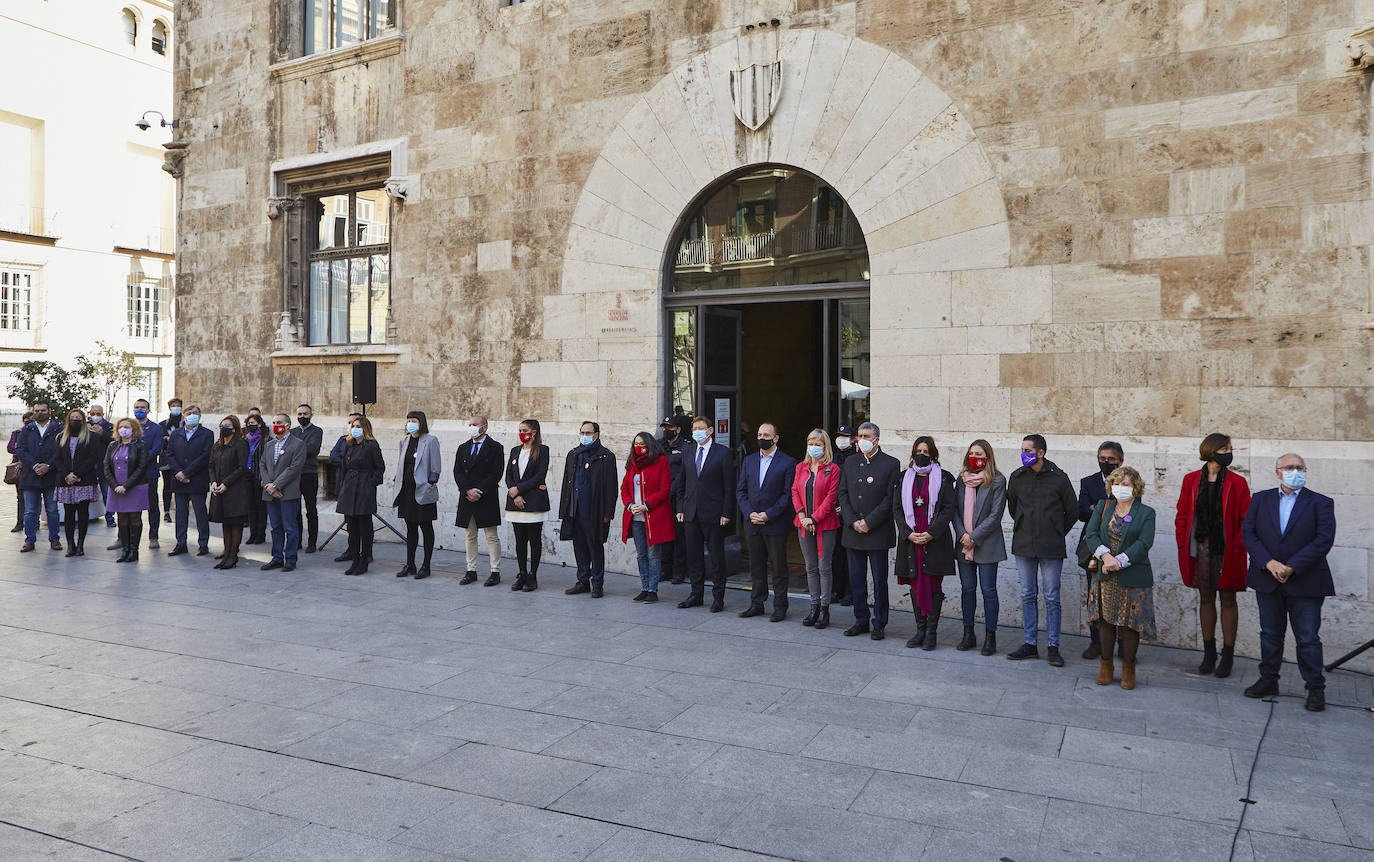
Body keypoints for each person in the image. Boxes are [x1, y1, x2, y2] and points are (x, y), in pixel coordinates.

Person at [1243, 454, 1336, 712]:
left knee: (1307, 638)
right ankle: (1268, 680)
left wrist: (1292, 566)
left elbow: (1323, 540)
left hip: (1306, 580)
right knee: (1270, 634)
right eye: (1289, 467)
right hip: (1267, 578)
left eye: (1300, 467)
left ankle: (1315, 688)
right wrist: (1269, 563)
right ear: (1277, 472)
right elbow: (1248, 533)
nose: (1295, 471)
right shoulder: (1260, 500)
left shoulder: (1321, 503)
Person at [1175, 433, 1251, 679]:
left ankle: (1227, 655)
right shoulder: (1191, 480)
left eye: (1230, 448)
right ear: (1211, 450)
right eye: (1225, 448)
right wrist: (1182, 541)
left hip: (1228, 551)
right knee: (1205, 598)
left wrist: (1239, 546)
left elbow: (1245, 520)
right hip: (1200, 549)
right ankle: (1209, 653)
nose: (1229, 452)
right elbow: (1183, 514)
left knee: (1228, 599)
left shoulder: (1238, 483)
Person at [1004, 434, 1077, 666]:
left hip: (1051, 546)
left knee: (1052, 596)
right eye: (1022, 449)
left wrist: (1055, 531)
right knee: (1027, 594)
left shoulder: (1059, 478)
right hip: (1024, 545)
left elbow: (1072, 512)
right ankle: (1030, 644)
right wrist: (1026, 527)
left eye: (1028, 450)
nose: (1023, 453)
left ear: (1041, 453)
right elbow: (1013, 508)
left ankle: (1053, 646)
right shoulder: (1017, 477)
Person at [1083, 466, 1157, 690]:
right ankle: (1106, 666)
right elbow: (1091, 534)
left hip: (1133, 575)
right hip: (1105, 575)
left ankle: (1128, 667)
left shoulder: (1146, 513)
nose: (1119, 487)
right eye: (1116, 483)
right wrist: (1106, 557)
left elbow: (1144, 543)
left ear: (1135, 487)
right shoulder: (1104, 507)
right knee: (1105, 622)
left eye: (1125, 484)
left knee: (1130, 625)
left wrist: (1119, 561)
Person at [838, 422, 902, 640]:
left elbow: (889, 499)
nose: (860, 439)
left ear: (876, 439)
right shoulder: (850, 462)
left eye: (866, 436)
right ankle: (860, 620)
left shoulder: (891, 464)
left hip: (877, 532)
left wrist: (869, 522)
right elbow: (843, 494)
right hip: (853, 531)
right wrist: (853, 521)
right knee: (856, 580)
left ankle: (879, 622)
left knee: (879, 580)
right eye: (859, 436)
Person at [896, 436, 957, 650]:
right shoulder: (903, 477)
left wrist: (931, 533)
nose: (921, 454)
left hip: (935, 541)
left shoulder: (946, 478)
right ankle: (919, 630)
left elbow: (948, 508)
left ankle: (932, 632)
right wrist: (908, 533)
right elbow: (897, 509)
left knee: (933, 584)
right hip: (911, 541)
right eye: (918, 450)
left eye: (926, 451)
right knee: (915, 583)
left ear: (933, 453)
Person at [951, 440, 1007, 656]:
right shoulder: (961, 480)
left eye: (979, 453)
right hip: (964, 542)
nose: (975, 456)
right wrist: (963, 535)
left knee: (988, 590)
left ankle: (990, 636)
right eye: (972, 452)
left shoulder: (997, 481)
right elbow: (954, 510)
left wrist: (974, 537)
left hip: (986, 544)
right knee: (967, 589)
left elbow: (995, 515)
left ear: (988, 457)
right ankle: (968, 633)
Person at [736, 422, 796, 621]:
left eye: (766, 434)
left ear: (776, 438)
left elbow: (787, 495)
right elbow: (741, 490)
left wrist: (768, 514)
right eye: (760, 434)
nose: (762, 437)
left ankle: (780, 606)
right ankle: (757, 604)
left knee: (778, 567)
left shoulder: (787, 463)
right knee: (756, 566)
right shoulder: (749, 460)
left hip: (775, 523)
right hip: (752, 522)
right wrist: (749, 512)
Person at [675, 416, 735, 612]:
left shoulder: (723, 453)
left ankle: (718, 597)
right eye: (694, 428)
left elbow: (729, 487)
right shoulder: (688, 451)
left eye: (701, 428)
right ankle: (696, 593)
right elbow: (681, 483)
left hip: (714, 513)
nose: (697, 431)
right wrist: (680, 508)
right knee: (694, 556)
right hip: (691, 512)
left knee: (716, 557)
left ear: (710, 431)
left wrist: (726, 512)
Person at [559, 421, 618, 597]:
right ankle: (582, 580)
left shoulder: (606, 456)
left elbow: (611, 487)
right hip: (575, 509)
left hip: (595, 511)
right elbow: (566, 483)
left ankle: (597, 583)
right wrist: (565, 508)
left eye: (588, 432)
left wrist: (608, 512)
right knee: (580, 547)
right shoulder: (573, 454)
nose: (585, 436)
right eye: (582, 432)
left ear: (597, 434)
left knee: (595, 547)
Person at [1077, 441, 1123, 660]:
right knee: (1094, 596)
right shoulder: (1088, 482)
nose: (1105, 462)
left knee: (1122, 596)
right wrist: (1109, 508)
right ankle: (1096, 642)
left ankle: (1123, 643)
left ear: (1120, 461)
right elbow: (1082, 512)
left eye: (1110, 459)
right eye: (1102, 458)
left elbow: (1132, 513)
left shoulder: (1128, 482)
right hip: (1094, 548)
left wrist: (1098, 507)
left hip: (1121, 548)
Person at [792, 429, 841, 629]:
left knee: (824, 567)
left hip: (825, 525)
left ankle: (824, 609)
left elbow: (831, 498)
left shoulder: (833, 469)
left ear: (825, 446)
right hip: (804, 524)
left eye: (818, 443)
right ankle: (813, 607)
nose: (814, 446)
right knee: (810, 567)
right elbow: (795, 491)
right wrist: (803, 516)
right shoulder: (801, 467)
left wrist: (814, 518)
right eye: (811, 442)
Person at [621, 431, 674, 603]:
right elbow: (625, 489)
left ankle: (653, 589)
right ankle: (644, 587)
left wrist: (646, 505)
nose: (639, 447)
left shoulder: (661, 462)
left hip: (654, 517)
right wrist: (630, 505)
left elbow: (664, 489)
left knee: (653, 555)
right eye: (636, 443)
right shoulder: (632, 464)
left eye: (642, 443)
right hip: (635, 517)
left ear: (650, 445)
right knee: (641, 554)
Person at [453, 415, 504, 585]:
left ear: (485, 427)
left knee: (491, 536)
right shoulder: (462, 448)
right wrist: (467, 490)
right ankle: (471, 570)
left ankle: (495, 571)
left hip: (486, 497)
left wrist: (479, 491)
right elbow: (458, 472)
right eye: (469, 424)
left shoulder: (495, 447)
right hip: (467, 497)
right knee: (470, 535)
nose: (472, 427)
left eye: (475, 424)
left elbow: (496, 473)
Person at [335, 415, 386, 576]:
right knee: (353, 527)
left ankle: (364, 559)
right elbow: (344, 467)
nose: (355, 428)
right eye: (353, 426)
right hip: (349, 488)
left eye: (359, 426)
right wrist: (342, 487)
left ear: (365, 428)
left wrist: (371, 483)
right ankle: (354, 558)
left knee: (364, 526)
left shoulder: (371, 445)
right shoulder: (349, 445)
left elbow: (379, 468)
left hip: (364, 488)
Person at [393, 411, 441, 579]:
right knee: (410, 527)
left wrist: (430, 483)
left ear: (421, 422)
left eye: (413, 421)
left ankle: (426, 565)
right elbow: (401, 463)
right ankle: (410, 563)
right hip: (406, 490)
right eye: (408, 421)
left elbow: (436, 467)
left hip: (422, 490)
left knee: (426, 527)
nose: (410, 424)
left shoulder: (430, 440)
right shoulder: (404, 440)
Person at [52, 409, 104, 557]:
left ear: (83, 420)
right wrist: (67, 474)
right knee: (68, 513)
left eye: (78, 418)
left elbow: (93, 457)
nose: (75, 420)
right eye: (72, 418)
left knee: (83, 513)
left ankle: (81, 544)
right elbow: (57, 458)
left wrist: (77, 474)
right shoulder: (60, 437)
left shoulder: (92, 437)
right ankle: (70, 544)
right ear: (68, 420)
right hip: (66, 481)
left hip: (84, 480)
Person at [505, 418, 550, 591]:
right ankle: (522, 573)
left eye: (525, 430)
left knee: (534, 539)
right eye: (520, 430)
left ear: (534, 432)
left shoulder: (542, 450)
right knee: (520, 540)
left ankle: (533, 575)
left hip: (534, 501)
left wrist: (519, 490)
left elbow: (539, 476)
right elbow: (509, 474)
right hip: (515, 501)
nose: (522, 434)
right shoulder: (515, 451)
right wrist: (513, 491)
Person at [258, 413, 307, 572]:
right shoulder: (269, 444)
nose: (275, 425)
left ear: (287, 425)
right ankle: (277, 557)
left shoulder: (298, 444)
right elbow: (263, 465)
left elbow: (294, 468)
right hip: (270, 493)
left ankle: (290, 559)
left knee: (290, 528)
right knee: (275, 527)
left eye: (279, 422)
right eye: (273, 422)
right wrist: (268, 486)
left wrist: (276, 486)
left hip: (288, 493)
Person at [166, 404, 214, 556]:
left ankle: (203, 544)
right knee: (180, 513)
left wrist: (187, 473)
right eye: (189, 412)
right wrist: (179, 473)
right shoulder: (176, 434)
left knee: (200, 513)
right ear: (184, 415)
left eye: (195, 413)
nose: (192, 415)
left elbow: (205, 456)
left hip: (196, 479)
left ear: (200, 416)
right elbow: (170, 453)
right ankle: (181, 543)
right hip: (179, 480)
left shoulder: (207, 434)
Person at [207, 415, 251, 570]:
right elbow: (211, 465)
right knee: (225, 522)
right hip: (219, 489)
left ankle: (233, 555)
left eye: (227, 425)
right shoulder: (217, 445)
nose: (224, 428)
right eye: (222, 425)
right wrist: (213, 482)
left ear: (234, 428)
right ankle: (226, 554)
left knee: (235, 523)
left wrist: (226, 483)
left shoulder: (240, 444)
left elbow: (242, 467)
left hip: (235, 490)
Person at [104, 416, 150, 562]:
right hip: (116, 488)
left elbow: (142, 467)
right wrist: (115, 485)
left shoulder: (140, 446)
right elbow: (106, 467)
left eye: (127, 427)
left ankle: (134, 551)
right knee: (122, 518)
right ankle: (125, 549)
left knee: (135, 518)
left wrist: (126, 486)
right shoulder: (112, 445)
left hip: (135, 487)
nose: (123, 430)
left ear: (134, 429)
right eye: (121, 427)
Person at [17, 401, 62, 552]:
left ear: (49, 411)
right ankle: (29, 540)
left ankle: (55, 540)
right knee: (30, 511)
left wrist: (48, 466)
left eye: (43, 410)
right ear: (33, 411)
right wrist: (35, 465)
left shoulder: (58, 429)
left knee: (52, 510)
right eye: (37, 410)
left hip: (51, 476)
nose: (40, 412)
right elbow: (21, 450)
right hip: (31, 476)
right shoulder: (27, 429)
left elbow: (61, 451)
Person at [657, 416, 688, 586]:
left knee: (679, 535)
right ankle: (665, 569)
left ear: (678, 429)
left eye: (670, 427)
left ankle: (679, 570)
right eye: (665, 427)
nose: (667, 430)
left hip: (678, 497)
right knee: (664, 534)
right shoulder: (659, 445)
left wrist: (671, 490)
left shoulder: (686, 447)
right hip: (661, 497)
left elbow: (684, 472)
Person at [132, 400, 165, 550]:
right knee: (130, 507)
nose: (139, 410)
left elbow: (156, 449)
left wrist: (138, 461)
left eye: (142, 408)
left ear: (148, 410)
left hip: (149, 472)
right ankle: (125, 536)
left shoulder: (156, 429)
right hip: (130, 474)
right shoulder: (127, 427)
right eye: (137, 407)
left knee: (152, 506)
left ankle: (153, 537)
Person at [290, 404, 323, 554]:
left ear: (311, 415)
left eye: (305, 414)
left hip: (309, 474)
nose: (302, 416)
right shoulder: (292, 432)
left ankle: (312, 542)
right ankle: (296, 541)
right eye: (300, 414)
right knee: (295, 510)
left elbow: (312, 449)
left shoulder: (317, 431)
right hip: (294, 475)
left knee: (311, 510)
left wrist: (294, 449)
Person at [830, 424, 856, 606]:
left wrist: (844, 509)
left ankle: (849, 592)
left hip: (849, 513)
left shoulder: (857, 458)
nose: (841, 439)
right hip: (833, 513)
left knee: (850, 556)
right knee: (835, 554)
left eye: (845, 435)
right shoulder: (833, 458)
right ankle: (835, 589)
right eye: (839, 435)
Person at [242, 414, 269, 545]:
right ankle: (252, 534)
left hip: (259, 476)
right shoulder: (245, 439)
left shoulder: (265, 439)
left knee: (260, 506)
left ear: (259, 424)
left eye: (252, 423)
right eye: (248, 423)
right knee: (250, 506)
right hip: (247, 475)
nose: (249, 425)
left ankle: (260, 534)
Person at [87, 404, 115, 528]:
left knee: (106, 492)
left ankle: (110, 517)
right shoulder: (84, 426)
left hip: (105, 464)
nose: (95, 416)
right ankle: (85, 516)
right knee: (86, 492)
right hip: (88, 464)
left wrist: (102, 433)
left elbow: (113, 442)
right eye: (93, 413)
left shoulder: (109, 427)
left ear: (102, 415)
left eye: (98, 413)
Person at [159, 398, 184, 523]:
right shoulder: (163, 424)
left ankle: (180, 509)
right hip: (166, 460)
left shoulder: (185, 424)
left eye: (178, 406)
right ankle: (166, 511)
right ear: (169, 407)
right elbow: (160, 442)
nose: (176, 408)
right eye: (173, 406)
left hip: (182, 460)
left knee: (180, 484)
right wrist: (166, 440)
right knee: (167, 486)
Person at [8, 410, 32, 532]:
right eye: (26, 419)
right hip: (20, 470)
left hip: (32, 469)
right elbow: (10, 447)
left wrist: (21, 449)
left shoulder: (36, 433)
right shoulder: (17, 433)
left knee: (34, 497)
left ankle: (34, 522)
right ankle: (20, 522)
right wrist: (22, 450)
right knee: (21, 497)